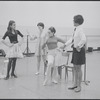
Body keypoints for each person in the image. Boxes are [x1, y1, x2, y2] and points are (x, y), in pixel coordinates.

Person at [61, 15, 86, 92]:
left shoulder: (80, 30)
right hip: (75, 50)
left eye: (73, 20)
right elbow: (72, 39)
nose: (73, 21)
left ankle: (79, 86)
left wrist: (78, 46)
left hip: (79, 51)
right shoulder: (76, 29)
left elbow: (84, 39)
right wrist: (65, 45)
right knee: (75, 68)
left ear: (77, 21)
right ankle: (75, 84)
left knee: (78, 68)